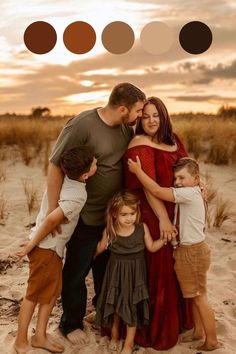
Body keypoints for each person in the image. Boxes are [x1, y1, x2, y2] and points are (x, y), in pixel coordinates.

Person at [47, 83, 146, 344]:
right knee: (77, 272)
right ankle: (70, 324)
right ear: (123, 108)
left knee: (107, 272)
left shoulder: (126, 129)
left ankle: (102, 314)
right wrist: (53, 209)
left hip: (113, 218)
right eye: (137, 111)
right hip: (84, 216)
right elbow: (55, 165)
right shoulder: (82, 125)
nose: (140, 117)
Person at [128, 156, 220, 351]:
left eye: (182, 178)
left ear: (196, 179)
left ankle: (212, 341)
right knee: (194, 295)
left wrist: (138, 171)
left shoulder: (189, 193)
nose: (177, 183)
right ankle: (198, 332)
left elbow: (156, 191)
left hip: (192, 253)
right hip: (191, 250)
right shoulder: (194, 191)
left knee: (199, 297)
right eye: (175, 179)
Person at [123, 96, 193, 350]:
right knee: (160, 264)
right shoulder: (139, 144)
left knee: (177, 265)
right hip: (153, 214)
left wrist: (200, 185)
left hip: (177, 209)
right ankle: (156, 327)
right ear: (139, 119)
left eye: (156, 115)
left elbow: (188, 168)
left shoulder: (174, 140)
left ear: (164, 116)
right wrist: (163, 218)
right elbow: (148, 187)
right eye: (146, 116)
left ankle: (181, 319)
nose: (151, 120)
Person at [14, 146, 97, 354]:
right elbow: (52, 220)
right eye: (95, 163)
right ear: (85, 174)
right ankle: (20, 341)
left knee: (51, 294)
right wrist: (31, 246)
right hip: (46, 248)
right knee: (32, 296)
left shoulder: (64, 178)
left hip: (51, 248)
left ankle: (40, 336)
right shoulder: (77, 196)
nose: (97, 163)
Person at [95, 190, 166, 354]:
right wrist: (87, 257)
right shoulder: (111, 230)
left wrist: (164, 239)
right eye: (124, 214)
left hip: (135, 277)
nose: (129, 218)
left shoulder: (142, 228)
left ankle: (128, 343)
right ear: (114, 215)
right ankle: (114, 335)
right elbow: (100, 248)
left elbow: (152, 247)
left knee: (132, 307)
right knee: (116, 308)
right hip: (116, 276)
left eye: (132, 213)